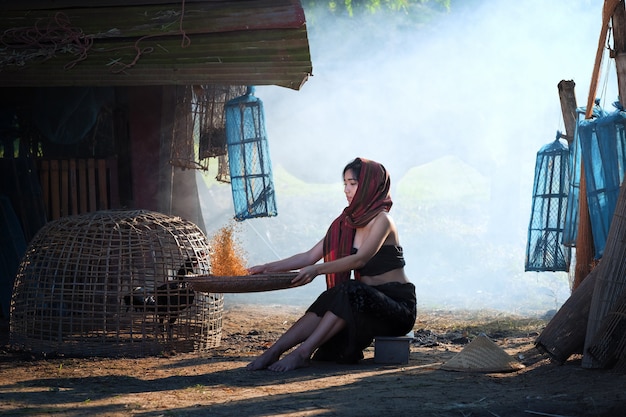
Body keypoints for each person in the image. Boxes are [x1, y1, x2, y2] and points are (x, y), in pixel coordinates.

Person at [246, 157, 416, 372]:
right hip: (362, 303)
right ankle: (274, 351)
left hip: (397, 308)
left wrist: (317, 270)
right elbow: (309, 257)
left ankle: (302, 353)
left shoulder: (382, 220)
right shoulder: (347, 222)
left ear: (370, 186)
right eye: (344, 183)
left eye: (353, 184)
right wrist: (267, 267)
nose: (346, 189)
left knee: (349, 289)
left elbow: (360, 259)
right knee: (333, 296)